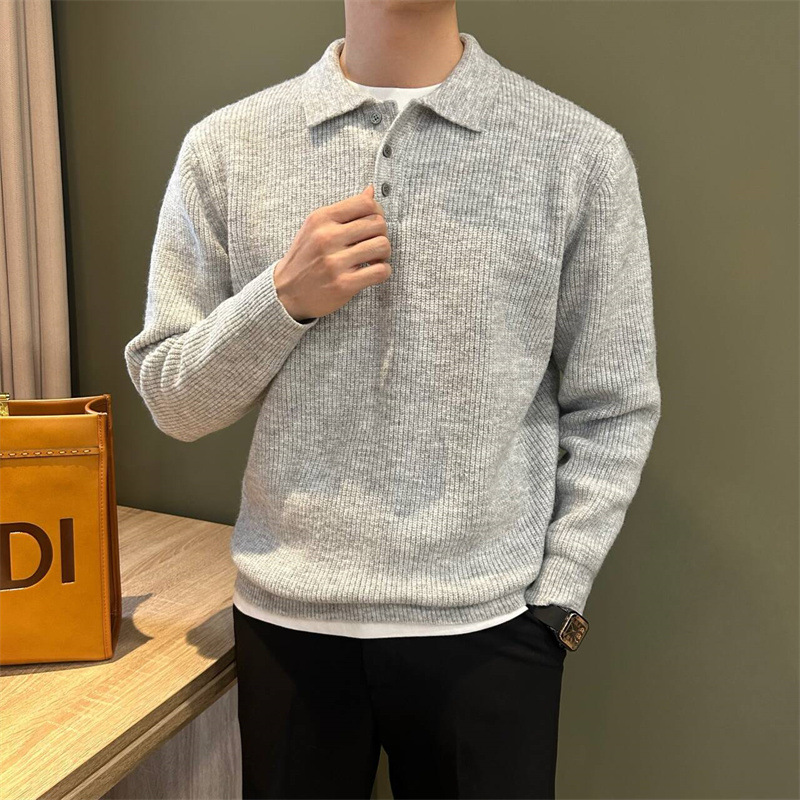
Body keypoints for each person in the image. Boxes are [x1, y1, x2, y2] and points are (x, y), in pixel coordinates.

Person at [124, 1, 662, 797]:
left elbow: (615, 404)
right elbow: (176, 401)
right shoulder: (227, 147)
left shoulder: (576, 153)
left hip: (492, 631)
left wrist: (559, 594)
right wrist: (282, 298)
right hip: (288, 628)